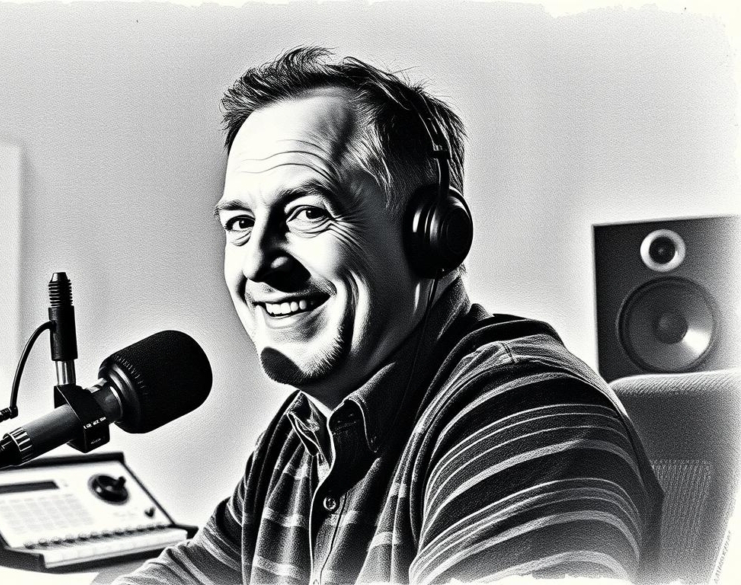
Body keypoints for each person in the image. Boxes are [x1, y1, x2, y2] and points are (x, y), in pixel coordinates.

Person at [116, 47, 662, 584]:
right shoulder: (300, 434)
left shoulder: (523, 410)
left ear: (433, 235)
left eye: (308, 213)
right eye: (239, 223)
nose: (258, 262)